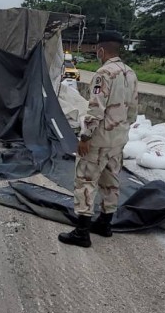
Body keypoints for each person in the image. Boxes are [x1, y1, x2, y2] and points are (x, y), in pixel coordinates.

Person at [59, 30, 138, 248]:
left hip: (100, 138)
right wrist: (122, 131)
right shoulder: (130, 73)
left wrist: (84, 136)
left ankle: (82, 232)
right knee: (111, 181)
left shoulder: (103, 74)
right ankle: (105, 223)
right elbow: (133, 110)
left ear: (100, 49)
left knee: (85, 180)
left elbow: (95, 110)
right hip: (118, 138)